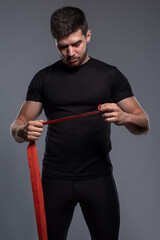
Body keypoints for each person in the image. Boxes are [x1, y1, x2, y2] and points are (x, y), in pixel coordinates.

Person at [10, 6, 149, 240]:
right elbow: (17, 124)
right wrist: (23, 131)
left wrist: (124, 118)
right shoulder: (43, 78)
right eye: (62, 46)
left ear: (88, 36)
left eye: (76, 44)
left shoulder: (110, 75)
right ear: (54, 41)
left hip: (98, 177)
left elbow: (143, 123)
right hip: (55, 178)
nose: (70, 52)